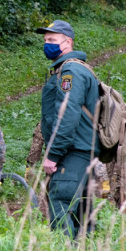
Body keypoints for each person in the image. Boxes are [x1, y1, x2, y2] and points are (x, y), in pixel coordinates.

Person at [37, 20, 100, 238]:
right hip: (82, 152)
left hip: (73, 152)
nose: (47, 44)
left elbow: (67, 114)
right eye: (45, 40)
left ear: (67, 42)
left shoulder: (71, 71)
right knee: (82, 214)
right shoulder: (70, 69)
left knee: (60, 203)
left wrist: (53, 155)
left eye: (52, 40)